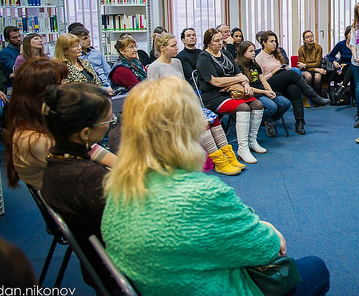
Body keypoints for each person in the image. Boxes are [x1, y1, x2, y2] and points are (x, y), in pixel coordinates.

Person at [101, 77, 330, 296]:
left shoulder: (117, 187)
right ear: (188, 126)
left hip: (156, 286)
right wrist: (268, 228)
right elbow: (267, 249)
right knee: (316, 268)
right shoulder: (201, 192)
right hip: (211, 287)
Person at [41, 83, 115, 290]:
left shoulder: (58, 162)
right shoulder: (88, 178)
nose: (110, 124)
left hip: (95, 261)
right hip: (116, 267)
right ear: (84, 134)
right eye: (108, 120)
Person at [4, 58, 115, 189]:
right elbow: (85, 172)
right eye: (60, 83)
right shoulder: (35, 139)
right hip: (66, 197)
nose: (65, 88)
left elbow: (90, 150)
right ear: (41, 93)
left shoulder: (41, 120)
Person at [148, 33, 243, 175]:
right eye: (173, 46)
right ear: (162, 48)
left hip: (185, 103)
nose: (177, 48)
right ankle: (219, 162)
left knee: (213, 118)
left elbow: (184, 84)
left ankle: (229, 156)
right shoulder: (154, 67)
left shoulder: (176, 62)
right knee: (202, 122)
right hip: (168, 108)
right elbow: (153, 94)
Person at [196, 28, 266, 164]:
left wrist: (245, 84)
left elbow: (239, 72)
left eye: (221, 40)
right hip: (213, 96)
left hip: (232, 92)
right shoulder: (203, 57)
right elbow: (215, 81)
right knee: (244, 107)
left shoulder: (226, 53)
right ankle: (242, 148)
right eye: (216, 41)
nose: (220, 43)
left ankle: (252, 141)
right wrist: (238, 79)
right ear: (208, 42)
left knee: (258, 104)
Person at [255, 30, 329, 135]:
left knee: (294, 88)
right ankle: (314, 97)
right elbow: (261, 79)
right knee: (292, 73)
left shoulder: (275, 54)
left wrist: (282, 69)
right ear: (264, 43)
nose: (274, 44)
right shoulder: (259, 58)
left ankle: (299, 123)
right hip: (267, 85)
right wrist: (274, 72)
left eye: (275, 41)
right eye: (271, 41)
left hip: (280, 82)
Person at [236, 41, 291, 137]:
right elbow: (247, 88)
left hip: (263, 90)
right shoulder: (239, 67)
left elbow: (263, 81)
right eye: (251, 51)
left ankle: (270, 121)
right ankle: (254, 123)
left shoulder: (255, 64)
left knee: (286, 103)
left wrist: (270, 91)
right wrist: (265, 92)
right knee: (271, 107)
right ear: (243, 52)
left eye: (254, 50)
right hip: (253, 93)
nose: (254, 53)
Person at [70, 26, 113, 90]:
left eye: (89, 37)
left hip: (107, 85)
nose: (89, 40)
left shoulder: (97, 53)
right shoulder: (76, 57)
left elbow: (108, 72)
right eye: (85, 39)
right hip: (93, 88)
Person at [297, 30, 326, 107]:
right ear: (304, 40)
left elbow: (317, 63)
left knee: (317, 77)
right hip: (305, 71)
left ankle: (316, 98)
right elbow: (301, 66)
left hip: (314, 68)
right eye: (307, 37)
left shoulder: (318, 48)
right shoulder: (301, 49)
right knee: (308, 76)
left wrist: (305, 65)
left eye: (311, 36)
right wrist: (315, 69)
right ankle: (305, 98)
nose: (310, 38)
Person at [326, 25, 353, 93]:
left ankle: (342, 89)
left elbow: (358, 60)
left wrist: (346, 64)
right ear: (346, 35)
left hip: (352, 66)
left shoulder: (358, 45)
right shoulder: (341, 44)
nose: (353, 35)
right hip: (341, 67)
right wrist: (334, 62)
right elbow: (329, 56)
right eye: (350, 33)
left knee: (353, 70)